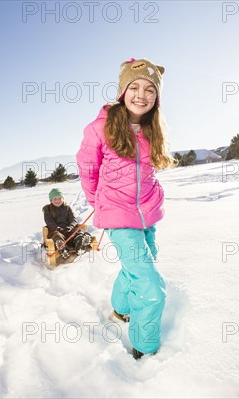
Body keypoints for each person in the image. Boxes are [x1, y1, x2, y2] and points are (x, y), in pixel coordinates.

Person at [76, 58, 174, 359]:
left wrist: (153, 196)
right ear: (122, 91)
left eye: (150, 90)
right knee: (150, 286)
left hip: (146, 214)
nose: (141, 95)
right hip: (119, 218)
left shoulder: (152, 128)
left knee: (138, 266)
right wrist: (99, 203)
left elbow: (148, 169)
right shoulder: (100, 128)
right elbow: (87, 169)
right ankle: (145, 349)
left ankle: (119, 309)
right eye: (135, 87)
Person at [43, 188, 91, 259]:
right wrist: (58, 228)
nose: (57, 200)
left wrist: (71, 226)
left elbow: (73, 219)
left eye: (59, 198)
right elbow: (49, 221)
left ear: (63, 199)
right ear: (51, 200)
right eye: (55, 198)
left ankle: (79, 244)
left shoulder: (67, 208)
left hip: (68, 230)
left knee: (77, 233)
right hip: (56, 231)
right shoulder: (47, 209)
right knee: (57, 236)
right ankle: (63, 249)